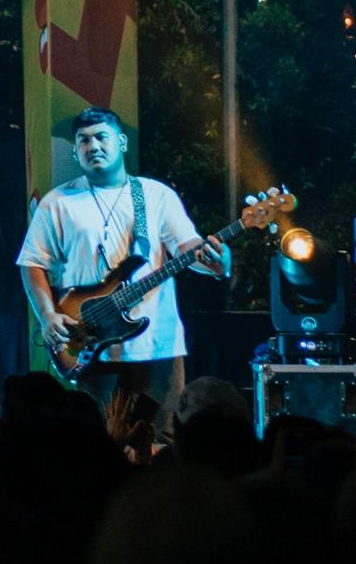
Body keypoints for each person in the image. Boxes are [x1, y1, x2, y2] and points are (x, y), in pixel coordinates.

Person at [18, 105, 216, 410]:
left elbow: (189, 249)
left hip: (157, 345)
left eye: (101, 137)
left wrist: (217, 260)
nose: (92, 146)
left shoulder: (155, 195)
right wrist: (47, 315)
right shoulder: (57, 202)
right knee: (98, 445)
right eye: (83, 140)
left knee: (160, 440)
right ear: (75, 152)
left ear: (122, 143)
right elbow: (33, 263)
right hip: (89, 342)